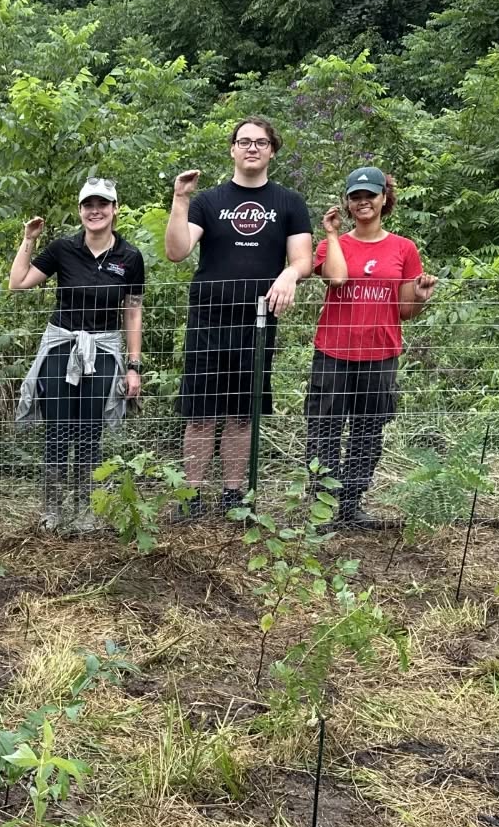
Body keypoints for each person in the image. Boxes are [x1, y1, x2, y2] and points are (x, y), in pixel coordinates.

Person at [165, 117, 313, 520]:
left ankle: (234, 497)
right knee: (200, 413)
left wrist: (288, 274)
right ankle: (191, 499)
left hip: (260, 320)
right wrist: (180, 199)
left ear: (272, 152)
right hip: (209, 317)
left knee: (241, 412)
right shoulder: (208, 201)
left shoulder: (289, 203)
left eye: (261, 143)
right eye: (244, 142)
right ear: (232, 149)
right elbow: (177, 251)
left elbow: (303, 259)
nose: (252, 148)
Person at [10, 176, 146, 532]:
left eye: (103, 204)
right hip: (61, 348)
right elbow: (18, 283)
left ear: (115, 209)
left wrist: (133, 366)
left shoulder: (130, 257)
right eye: (89, 205)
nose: (95, 211)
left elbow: (132, 312)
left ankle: (85, 508)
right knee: (57, 427)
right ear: (80, 210)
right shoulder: (62, 249)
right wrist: (28, 240)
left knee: (89, 429)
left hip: (103, 350)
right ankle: (52, 509)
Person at [308, 166, 437, 526]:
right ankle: (321, 508)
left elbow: (406, 311)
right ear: (347, 203)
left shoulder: (404, 248)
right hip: (333, 351)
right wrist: (332, 233)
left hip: (381, 354)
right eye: (355, 196)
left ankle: (351, 506)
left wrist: (422, 296)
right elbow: (336, 277)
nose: (363, 202)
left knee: (368, 430)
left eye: (370, 195)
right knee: (324, 428)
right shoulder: (331, 245)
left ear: (384, 199)